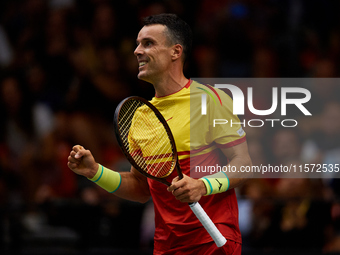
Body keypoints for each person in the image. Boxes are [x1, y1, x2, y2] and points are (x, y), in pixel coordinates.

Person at [68, 13, 252, 254]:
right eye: (137, 44)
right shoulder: (141, 117)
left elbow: (243, 163)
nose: (137, 51)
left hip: (213, 241)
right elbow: (140, 188)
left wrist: (203, 186)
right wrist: (95, 172)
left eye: (148, 43)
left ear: (175, 52)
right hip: (167, 246)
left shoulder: (210, 99)